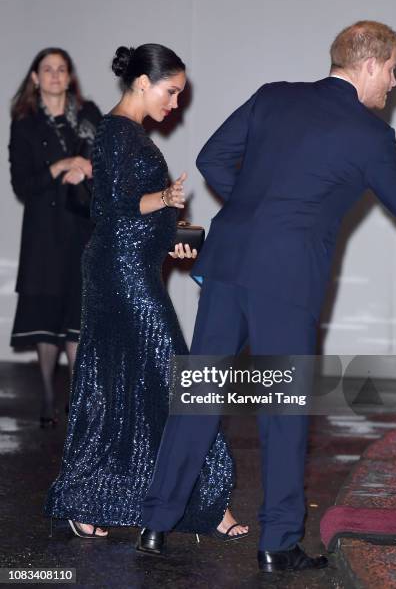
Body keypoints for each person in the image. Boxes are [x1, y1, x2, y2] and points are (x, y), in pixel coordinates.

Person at [140, 21, 396, 572]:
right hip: (286, 280)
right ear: (368, 65)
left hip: (227, 264)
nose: (394, 83)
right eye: (392, 70)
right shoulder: (369, 135)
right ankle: (277, 542)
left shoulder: (273, 97)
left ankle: (155, 522)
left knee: (197, 399)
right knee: (283, 412)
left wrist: (255, 212)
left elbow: (214, 158)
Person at [45, 44, 248, 541]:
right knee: (173, 381)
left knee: (126, 388)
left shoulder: (127, 133)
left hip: (129, 268)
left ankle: (95, 500)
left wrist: (170, 237)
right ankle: (206, 502)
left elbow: (130, 216)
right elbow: (111, 206)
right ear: (142, 82)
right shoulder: (116, 131)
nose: (175, 104)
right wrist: (167, 199)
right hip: (122, 276)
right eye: (171, 91)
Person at [9, 48, 102, 427]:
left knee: (77, 317)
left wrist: (89, 169)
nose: (54, 75)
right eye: (47, 69)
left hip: (82, 229)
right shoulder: (25, 125)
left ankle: (77, 399)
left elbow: (110, 161)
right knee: (46, 316)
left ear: (70, 76)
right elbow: (22, 184)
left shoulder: (91, 116)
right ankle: (48, 396)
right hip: (44, 235)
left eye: (61, 69)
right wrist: (61, 165)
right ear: (34, 78)